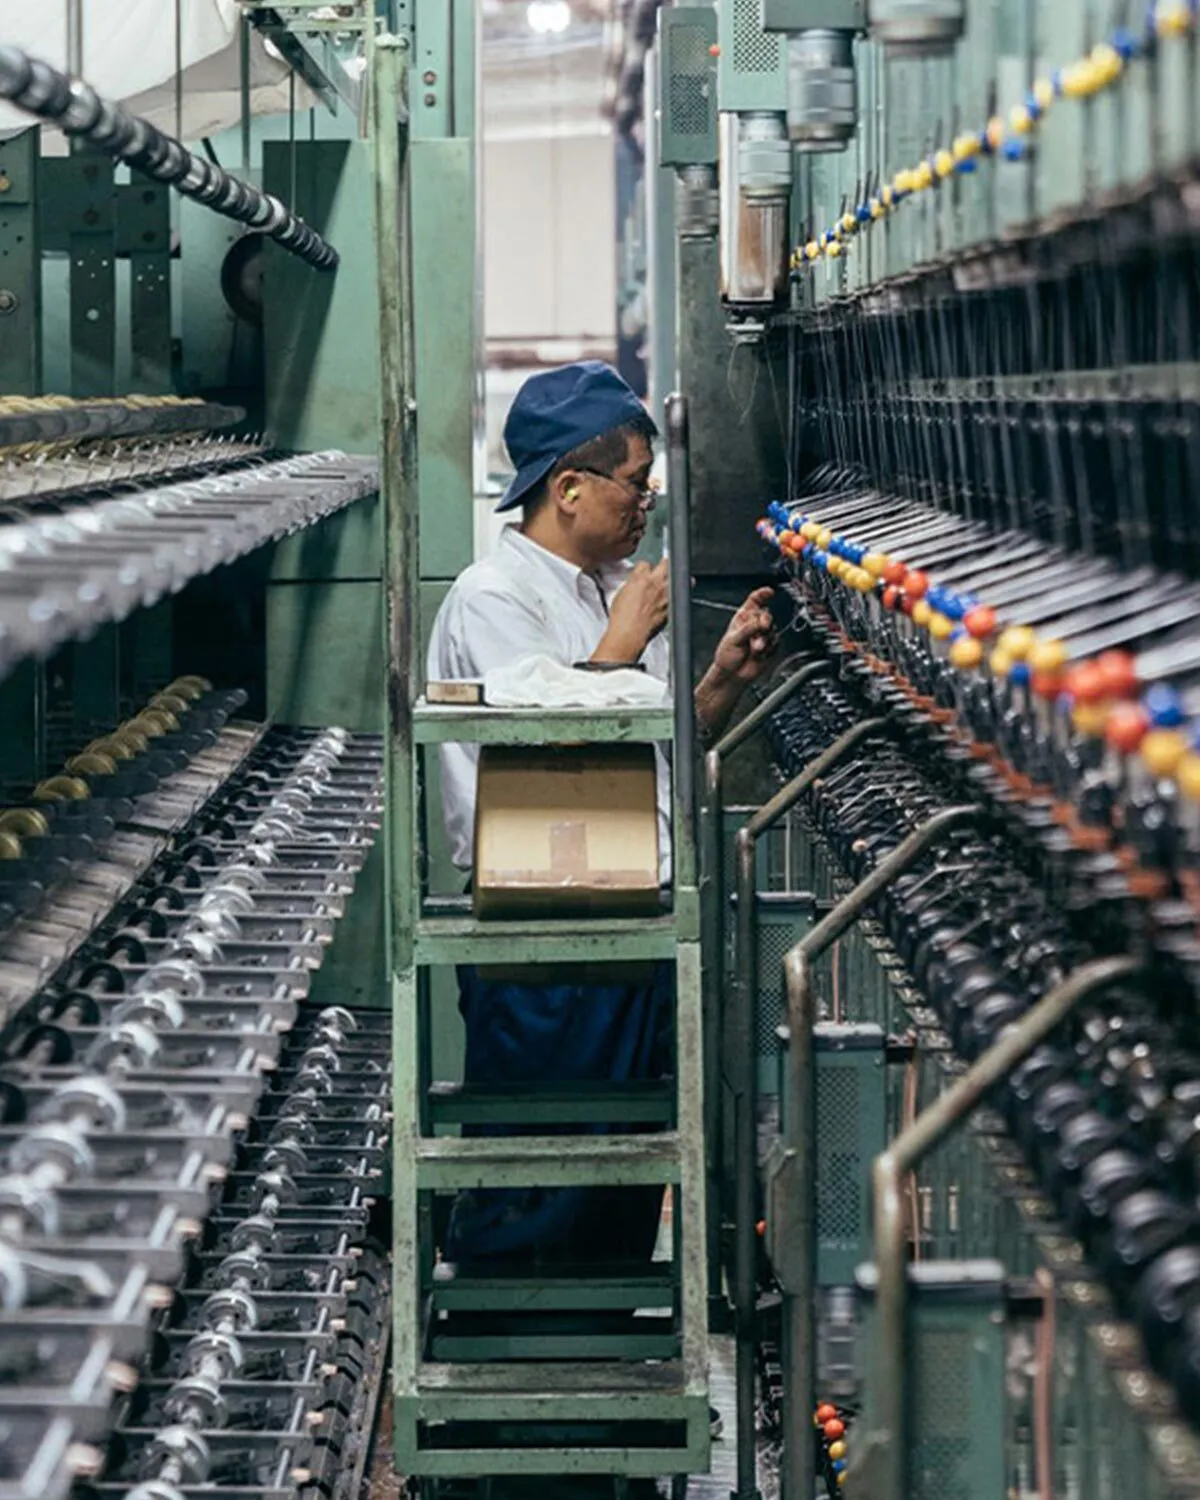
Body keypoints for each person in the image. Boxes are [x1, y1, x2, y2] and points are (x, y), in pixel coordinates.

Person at [427, 360, 776, 1275]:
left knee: (616, 1183)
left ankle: (602, 1334)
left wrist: (720, 684)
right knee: (539, 1186)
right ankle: (511, 1394)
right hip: (542, 943)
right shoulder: (493, 596)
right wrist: (626, 637)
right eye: (635, 482)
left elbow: (633, 759)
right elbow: (552, 767)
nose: (646, 503)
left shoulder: (597, 586)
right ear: (568, 487)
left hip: (624, 922)